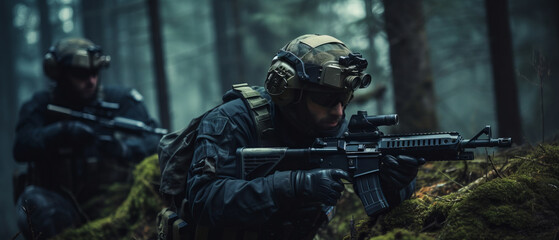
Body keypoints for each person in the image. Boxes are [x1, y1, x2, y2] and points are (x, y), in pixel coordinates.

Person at [158, 34, 425, 239]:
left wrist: (396, 183)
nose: (339, 111)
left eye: (344, 99)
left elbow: (381, 209)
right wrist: (294, 185)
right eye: (326, 99)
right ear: (288, 92)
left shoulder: (334, 127)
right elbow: (205, 201)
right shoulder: (232, 120)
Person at [13, 37, 162, 239]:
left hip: (118, 202)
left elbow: (154, 140)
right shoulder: (41, 106)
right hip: (63, 208)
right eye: (81, 75)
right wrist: (61, 132)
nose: (91, 80)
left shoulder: (121, 100)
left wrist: (123, 149)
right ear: (60, 75)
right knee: (33, 201)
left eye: (95, 73)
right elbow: (22, 145)